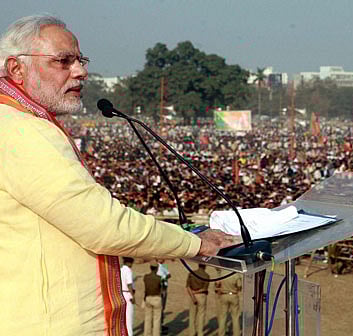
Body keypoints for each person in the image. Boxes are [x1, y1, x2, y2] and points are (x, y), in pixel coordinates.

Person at [0, 14, 237, 335]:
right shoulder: (22, 130)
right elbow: (103, 225)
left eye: (80, 60)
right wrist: (195, 243)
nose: (81, 72)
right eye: (63, 61)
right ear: (17, 69)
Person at [215, 271, 242, 336]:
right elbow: (239, 286)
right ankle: (236, 334)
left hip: (224, 295)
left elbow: (217, 284)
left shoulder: (222, 273)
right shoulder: (235, 274)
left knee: (223, 317)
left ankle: (221, 333)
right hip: (233, 295)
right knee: (235, 317)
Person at [186, 264, 210, 336]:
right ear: (205, 266)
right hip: (202, 295)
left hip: (192, 294)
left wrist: (193, 296)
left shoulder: (191, 273)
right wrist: (196, 292)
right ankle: (200, 333)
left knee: (192, 315)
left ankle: (192, 333)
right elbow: (205, 288)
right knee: (201, 315)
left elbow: (187, 287)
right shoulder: (206, 275)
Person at [143, 262, 163, 336]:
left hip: (148, 297)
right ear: (157, 269)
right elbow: (162, 289)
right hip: (156, 298)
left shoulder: (146, 277)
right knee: (156, 320)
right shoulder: (159, 278)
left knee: (147, 318)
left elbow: (146, 288)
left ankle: (147, 334)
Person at [121, 257, 136, 335]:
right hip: (127, 294)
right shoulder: (128, 270)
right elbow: (129, 284)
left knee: (123, 318)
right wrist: (132, 296)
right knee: (129, 319)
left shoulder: (120, 270)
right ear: (129, 263)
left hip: (121, 294)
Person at [156, 258, 171, 328]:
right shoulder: (158, 267)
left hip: (163, 288)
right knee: (160, 307)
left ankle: (160, 324)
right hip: (161, 289)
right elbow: (162, 278)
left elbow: (169, 274)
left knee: (162, 308)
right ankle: (159, 325)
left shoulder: (163, 266)